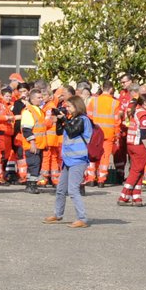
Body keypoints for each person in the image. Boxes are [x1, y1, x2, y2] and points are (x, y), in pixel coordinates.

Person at [44, 94, 93, 227]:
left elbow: (72, 131)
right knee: (60, 189)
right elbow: (60, 132)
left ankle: (82, 218)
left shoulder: (83, 120)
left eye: (70, 106)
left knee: (73, 190)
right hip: (68, 159)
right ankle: (58, 214)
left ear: (77, 106)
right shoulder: (72, 119)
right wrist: (60, 120)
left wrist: (64, 119)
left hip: (79, 159)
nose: (68, 109)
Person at [116, 93, 146, 206]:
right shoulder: (143, 115)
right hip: (139, 145)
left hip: (131, 144)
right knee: (136, 171)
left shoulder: (136, 112)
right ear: (145, 103)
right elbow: (143, 133)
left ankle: (136, 197)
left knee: (139, 171)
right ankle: (124, 196)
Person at [85, 84, 120, 186]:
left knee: (93, 155)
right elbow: (117, 121)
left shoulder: (93, 101)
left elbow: (89, 118)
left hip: (94, 134)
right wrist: (117, 135)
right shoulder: (115, 103)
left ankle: (91, 178)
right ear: (110, 90)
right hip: (108, 134)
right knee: (105, 157)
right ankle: (101, 179)